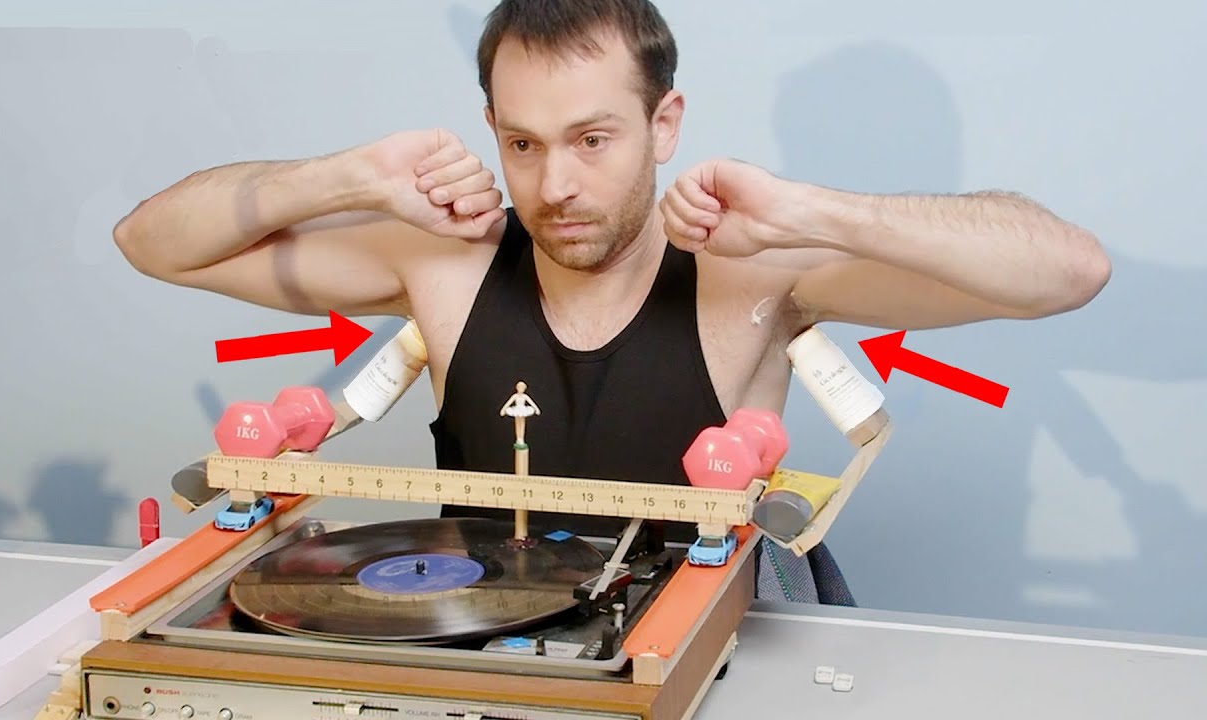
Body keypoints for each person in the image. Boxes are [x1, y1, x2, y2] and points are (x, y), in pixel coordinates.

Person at [112, 0, 1111, 605]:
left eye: (593, 140)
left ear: (663, 122)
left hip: (709, 663)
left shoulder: (754, 271)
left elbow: (1069, 271)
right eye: (522, 144)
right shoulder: (445, 262)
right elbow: (149, 242)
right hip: (484, 662)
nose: (555, 186)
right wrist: (345, 176)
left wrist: (819, 211)